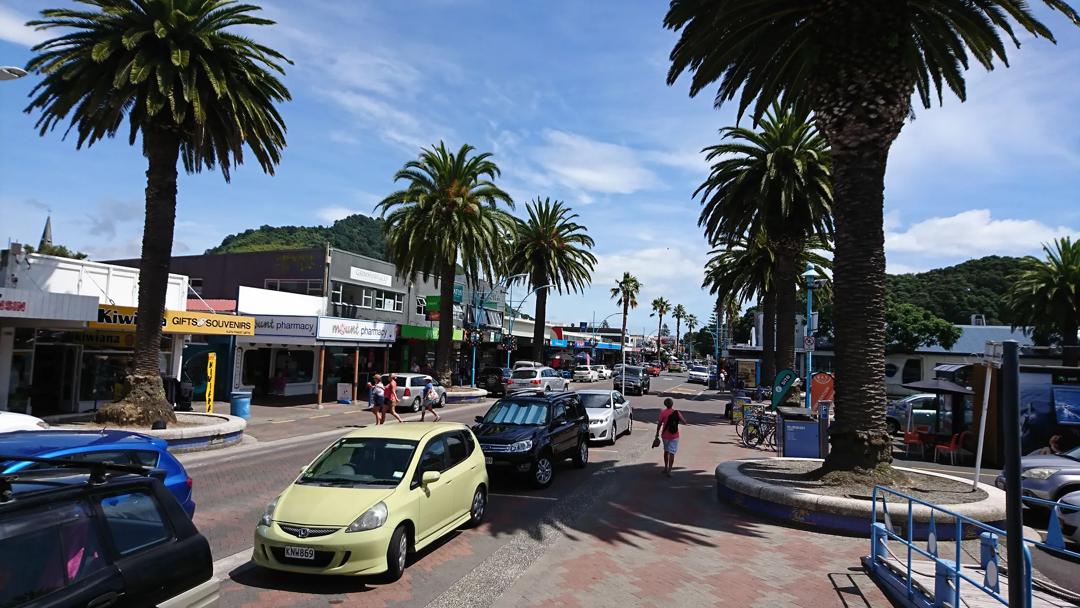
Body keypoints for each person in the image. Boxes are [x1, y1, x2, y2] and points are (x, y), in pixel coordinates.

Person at [656, 398, 686, 477]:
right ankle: (670, 470)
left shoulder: (663, 412)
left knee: (666, 451)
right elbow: (684, 422)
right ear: (672, 404)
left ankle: (665, 468)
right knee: (672, 452)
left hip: (665, 435)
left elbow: (659, 424)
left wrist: (657, 434)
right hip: (674, 435)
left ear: (665, 404)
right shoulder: (676, 412)